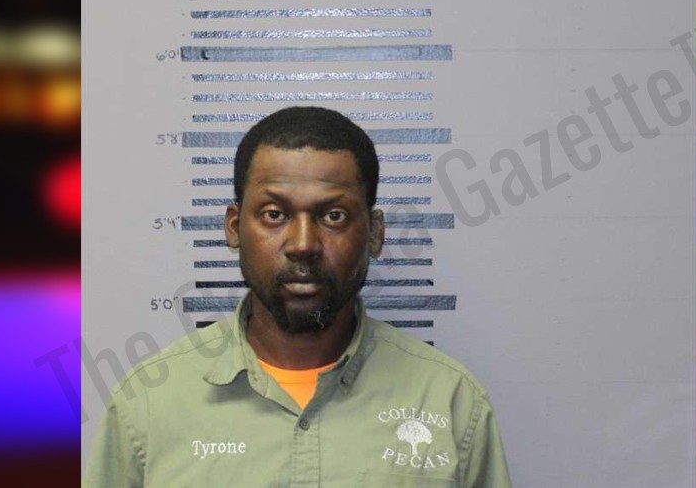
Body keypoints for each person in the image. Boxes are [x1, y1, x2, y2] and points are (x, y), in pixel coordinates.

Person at [84, 106, 511, 487]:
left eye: (333, 215)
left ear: (375, 233)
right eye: (275, 214)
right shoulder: (149, 402)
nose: (303, 244)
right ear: (234, 227)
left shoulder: (450, 400)